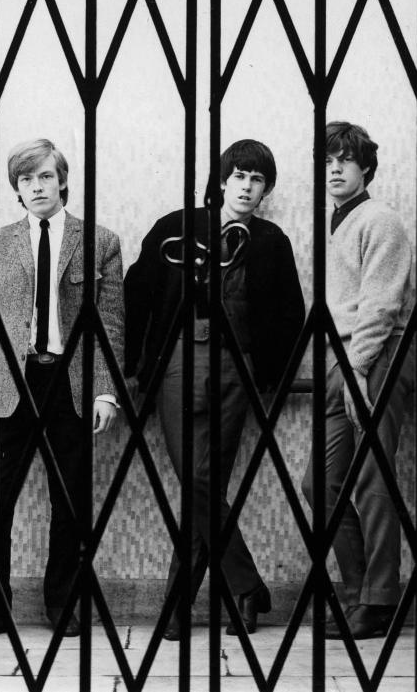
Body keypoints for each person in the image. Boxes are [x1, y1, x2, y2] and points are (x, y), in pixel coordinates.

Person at [124, 139, 304, 639]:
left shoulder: (271, 241)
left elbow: (291, 315)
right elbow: (136, 293)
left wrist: (274, 376)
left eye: (258, 180)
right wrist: (133, 366)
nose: (247, 187)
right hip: (180, 360)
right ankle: (245, 584)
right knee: (198, 480)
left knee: (205, 486)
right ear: (223, 181)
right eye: (240, 176)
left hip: (238, 369)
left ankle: (179, 608)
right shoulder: (177, 227)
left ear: (266, 189)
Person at [0, 138, 124, 639]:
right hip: (13, 381)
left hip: (70, 383)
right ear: (16, 187)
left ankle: (63, 604)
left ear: (62, 181)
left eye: (46, 177)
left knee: (69, 502)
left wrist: (104, 390)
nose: (37, 186)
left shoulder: (100, 241)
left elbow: (111, 324)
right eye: (27, 179)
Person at [301, 121, 415, 640]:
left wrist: (358, 372)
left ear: (366, 167)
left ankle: (381, 599)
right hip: (335, 361)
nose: (334, 170)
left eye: (344, 161)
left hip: (372, 360)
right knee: (318, 486)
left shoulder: (380, 220)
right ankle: (357, 593)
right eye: (326, 162)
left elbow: (382, 304)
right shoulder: (335, 222)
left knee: (371, 481)